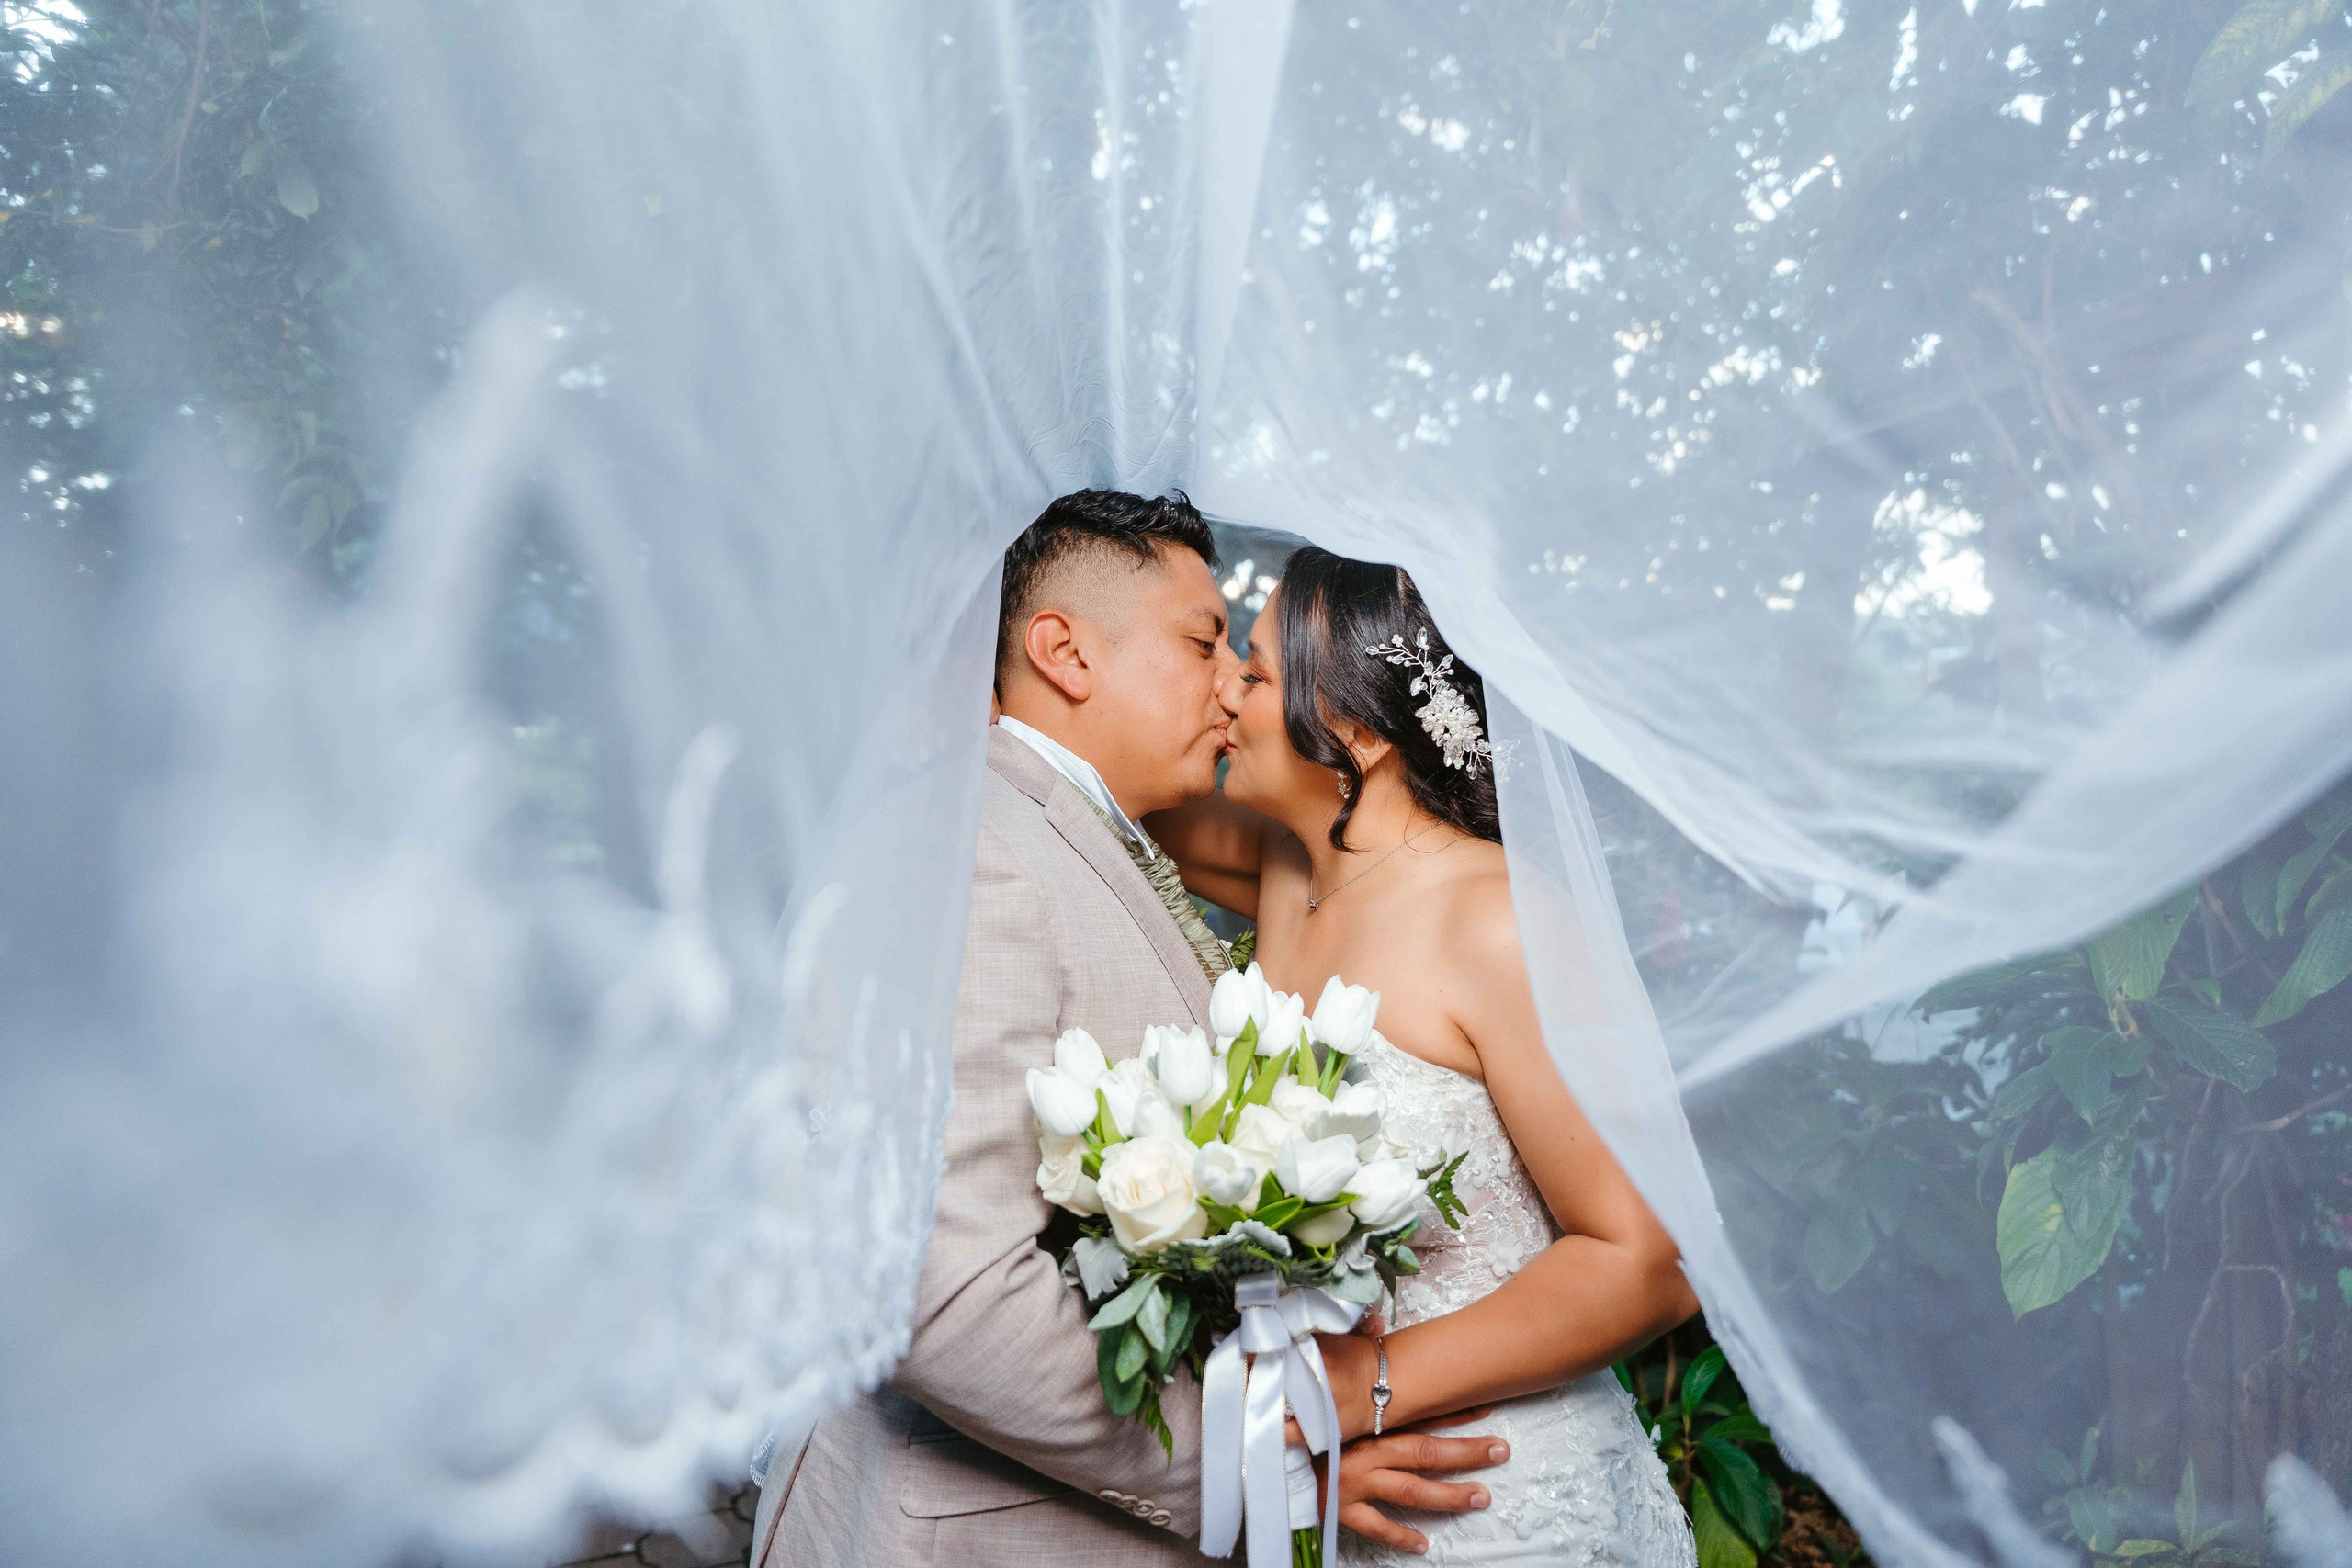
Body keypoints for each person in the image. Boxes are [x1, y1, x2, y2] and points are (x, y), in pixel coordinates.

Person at [752, 496, 1506, 1567]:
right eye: (1203, 642)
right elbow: (939, 1289)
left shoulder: (1090, 834)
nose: (1231, 685)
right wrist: (1262, 1460)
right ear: (1064, 653)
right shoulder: (981, 853)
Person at [1148, 547, 1702, 1564]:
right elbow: (1116, 776)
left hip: (1507, 1495)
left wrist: (1372, 1384)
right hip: (1344, 1491)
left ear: (1356, 731)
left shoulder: (1499, 919)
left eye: (1255, 671)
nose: (1224, 688)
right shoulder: (1286, 865)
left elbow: (1651, 1262)